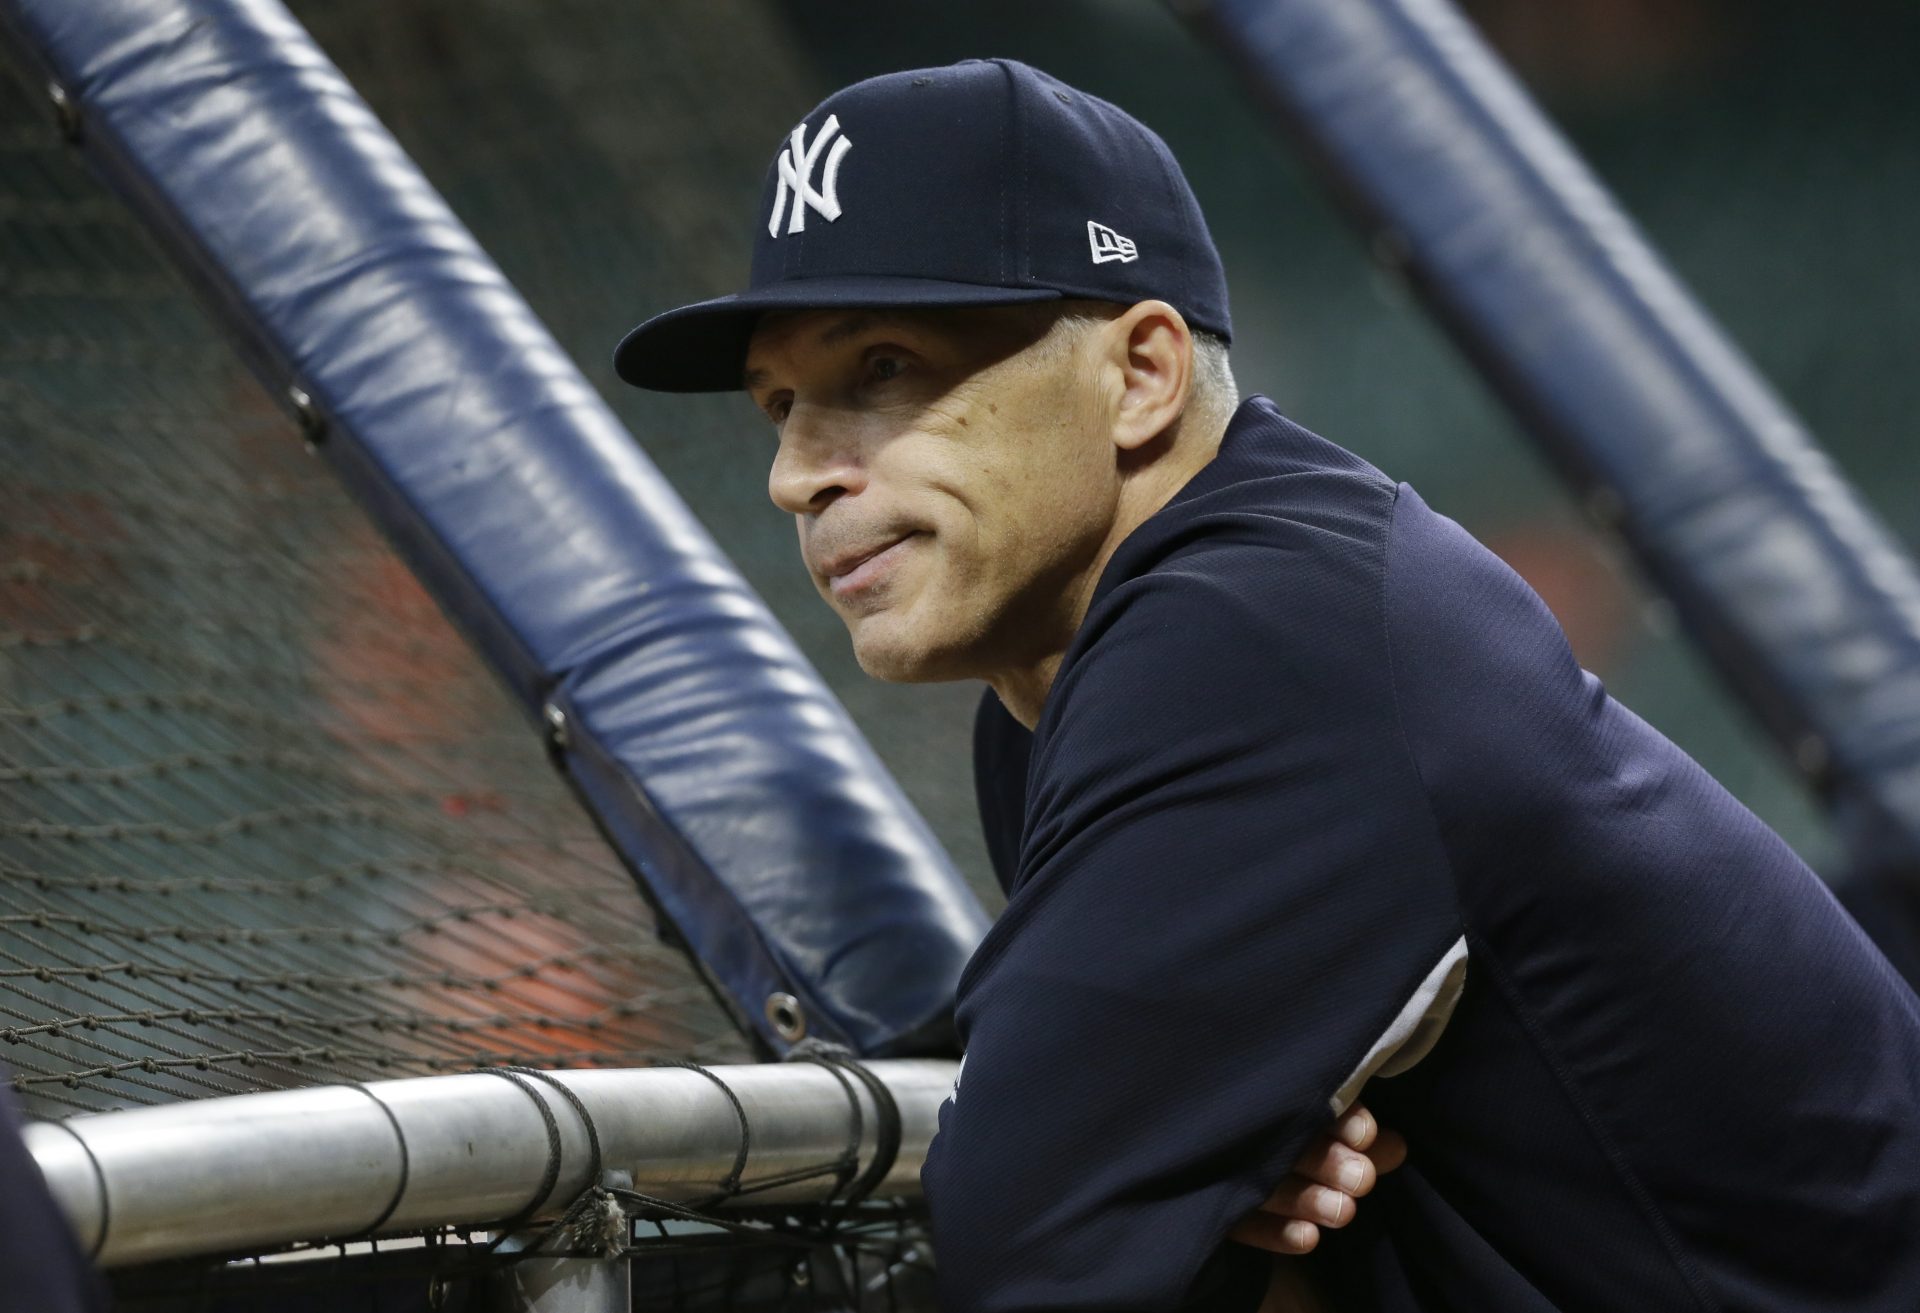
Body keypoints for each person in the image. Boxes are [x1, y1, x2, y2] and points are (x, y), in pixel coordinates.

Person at [615, 59, 1920, 1312]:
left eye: (882, 369)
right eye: (779, 403)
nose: (797, 473)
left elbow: (1030, 1247)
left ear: (1140, 374)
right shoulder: (1083, 673)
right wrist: (1210, 1181)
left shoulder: (1257, 642)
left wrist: (1170, 1196)